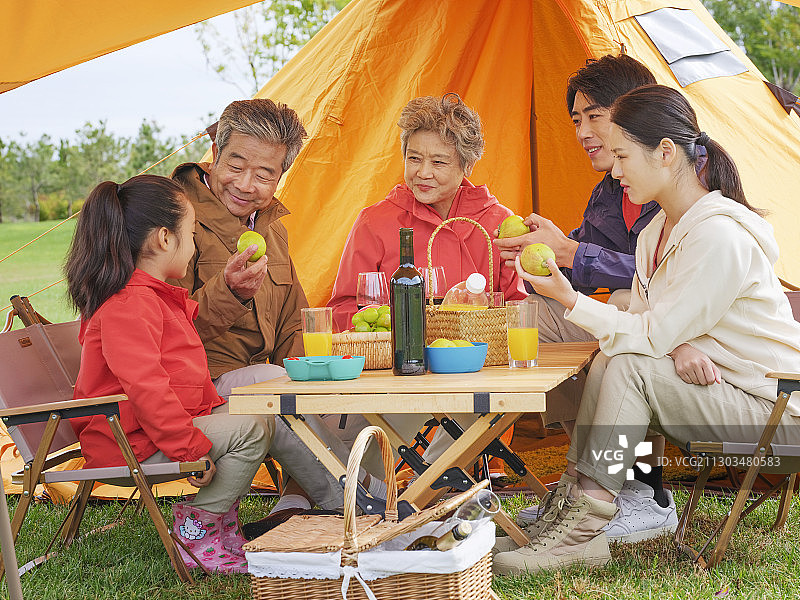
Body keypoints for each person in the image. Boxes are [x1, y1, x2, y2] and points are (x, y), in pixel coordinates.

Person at [493, 84, 800, 575]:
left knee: (630, 363)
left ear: (664, 153)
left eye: (622, 155)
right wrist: (667, 340)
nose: (614, 170)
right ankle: (571, 515)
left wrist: (570, 299)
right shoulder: (657, 233)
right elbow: (638, 315)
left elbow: (650, 335)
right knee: (616, 355)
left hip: (778, 415)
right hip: (727, 392)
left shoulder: (719, 235)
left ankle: (581, 530)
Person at [493, 55, 679, 544]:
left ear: (633, 113)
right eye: (576, 120)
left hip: (682, 337)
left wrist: (574, 251)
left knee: (618, 306)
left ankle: (644, 489)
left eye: (594, 116)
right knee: (527, 320)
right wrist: (549, 251)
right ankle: (584, 483)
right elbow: (595, 253)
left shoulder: (678, 180)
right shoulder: (606, 192)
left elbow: (658, 277)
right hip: (636, 324)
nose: (581, 131)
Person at [65, 174, 272, 574]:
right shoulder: (129, 304)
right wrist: (190, 447)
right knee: (253, 430)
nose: (194, 247)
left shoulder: (149, 298)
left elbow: (177, 371)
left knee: (265, 415)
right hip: (129, 444)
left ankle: (223, 529)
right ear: (163, 238)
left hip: (145, 434)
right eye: (191, 234)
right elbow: (147, 388)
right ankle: (197, 532)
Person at [328, 92, 526, 329]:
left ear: (468, 165)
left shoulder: (500, 222)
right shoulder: (373, 221)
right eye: (414, 158)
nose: (423, 173)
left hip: (484, 361)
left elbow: (518, 307)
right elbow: (346, 309)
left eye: (438, 162)